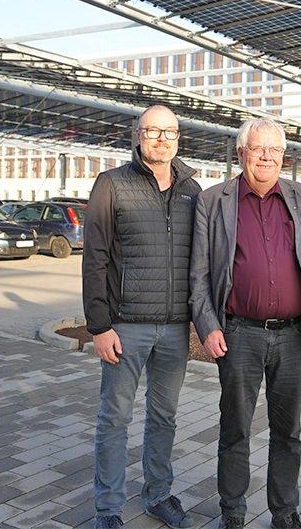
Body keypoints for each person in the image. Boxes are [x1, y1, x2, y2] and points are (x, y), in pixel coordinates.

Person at [189, 118, 301, 529]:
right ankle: (233, 513)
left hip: (295, 336)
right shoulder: (213, 201)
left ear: (283, 156)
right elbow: (198, 273)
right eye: (258, 148)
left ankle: (284, 512)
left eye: (274, 149)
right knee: (235, 428)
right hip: (239, 334)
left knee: (288, 432)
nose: (267, 156)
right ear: (241, 154)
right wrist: (208, 326)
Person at [82, 105, 202, 529]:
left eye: (169, 132)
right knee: (115, 417)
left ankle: (158, 495)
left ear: (178, 138)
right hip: (124, 326)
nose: (162, 139)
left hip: (175, 327)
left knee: (164, 416)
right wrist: (99, 325)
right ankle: (108, 509)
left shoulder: (192, 189)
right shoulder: (111, 184)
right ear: (138, 135)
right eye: (153, 131)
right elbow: (95, 258)